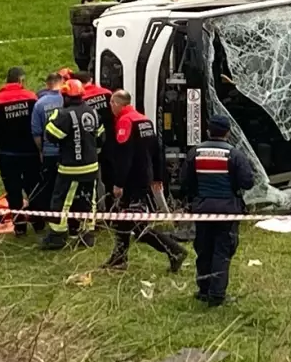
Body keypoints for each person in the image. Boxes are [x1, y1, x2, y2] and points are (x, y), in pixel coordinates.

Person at [104, 90, 186, 271]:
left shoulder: (125, 122)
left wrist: (119, 183)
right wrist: (157, 176)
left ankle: (174, 250)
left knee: (137, 225)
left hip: (132, 181)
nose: (110, 107)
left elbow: (125, 157)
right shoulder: (144, 120)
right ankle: (119, 258)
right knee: (122, 219)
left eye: (112, 103)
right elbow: (157, 150)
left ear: (119, 104)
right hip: (145, 177)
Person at [182, 114, 255, 307]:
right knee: (222, 251)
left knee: (204, 249)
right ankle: (216, 294)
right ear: (228, 132)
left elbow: (185, 182)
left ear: (208, 130)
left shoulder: (195, 153)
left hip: (202, 209)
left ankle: (204, 289)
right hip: (227, 210)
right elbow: (248, 182)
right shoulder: (234, 154)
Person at [40, 79, 104, 250]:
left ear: (65, 96)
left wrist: (53, 118)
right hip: (91, 165)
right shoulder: (92, 112)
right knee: (88, 200)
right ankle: (86, 235)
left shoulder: (63, 115)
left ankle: (57, 236)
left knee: (61, 201)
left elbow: (51, 136)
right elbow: (101, 138)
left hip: (71, 167)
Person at [0, 67, 41, 236]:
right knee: (33, 187)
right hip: (30, 153)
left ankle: (19, 226)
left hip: (8, 154)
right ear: (20, 80)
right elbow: (37, 125)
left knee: (13, 190)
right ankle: (38, 222)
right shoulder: (32, 97)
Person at [31, 72, 65, 226]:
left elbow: (36, 133)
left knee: (48, 185)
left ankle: (49, 216)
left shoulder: (39, 104)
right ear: (62, 82)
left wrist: (41, 150)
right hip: (66, 152)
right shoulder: (67, 100)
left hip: (49, 152)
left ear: (47, 84)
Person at [78, 71, 114, 206]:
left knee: (93, 179)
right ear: (91, 79)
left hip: (91, 144)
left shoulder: (81, 99)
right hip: (110, 141)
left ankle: (97, 207)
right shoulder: (107, 93)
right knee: (110, 176)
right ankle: (112, 208)